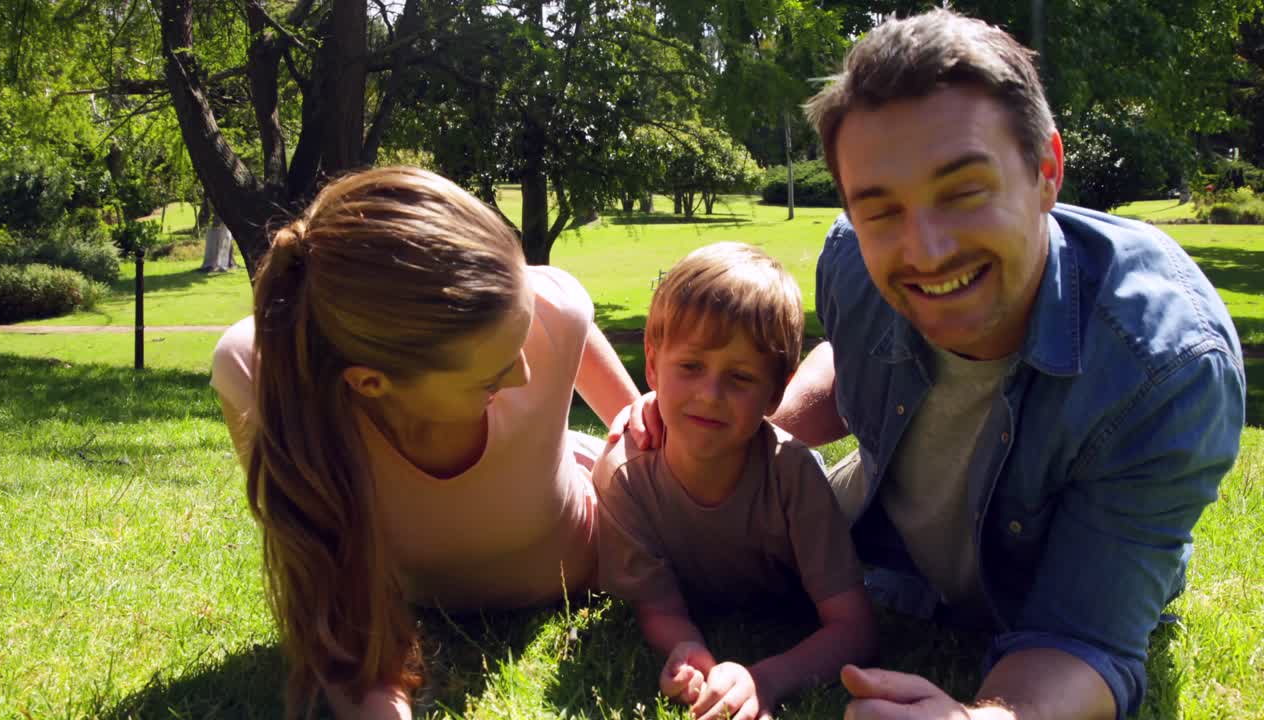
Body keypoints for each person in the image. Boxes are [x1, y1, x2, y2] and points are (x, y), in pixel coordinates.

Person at [617, 10, 1246, 720]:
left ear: (1047, 170)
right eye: (880, 209)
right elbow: (847, 357)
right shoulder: (851, 259)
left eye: (963, 191)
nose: (927, 250)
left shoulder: (1167, 368)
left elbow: (1084, 635)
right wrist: (719, 420)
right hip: (880, 558)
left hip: (1027, 602)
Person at [210, 167, 640, 719]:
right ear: (369, 383)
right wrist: (377, 697)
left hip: (583, 561)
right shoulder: (263, 374)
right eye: (491, 375)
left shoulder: (553, 312)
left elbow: (641, 432)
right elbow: (331, 588)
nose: (524, 377)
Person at [595, 243, 878, 720]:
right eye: (690, 367)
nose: (710, 395)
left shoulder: (793, 474)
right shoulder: (625, 479)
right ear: (651, 364)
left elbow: (855, 628)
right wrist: (688, 652)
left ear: (777, 392)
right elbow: (658, 607)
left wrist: (764, 680)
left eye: (741, 377)